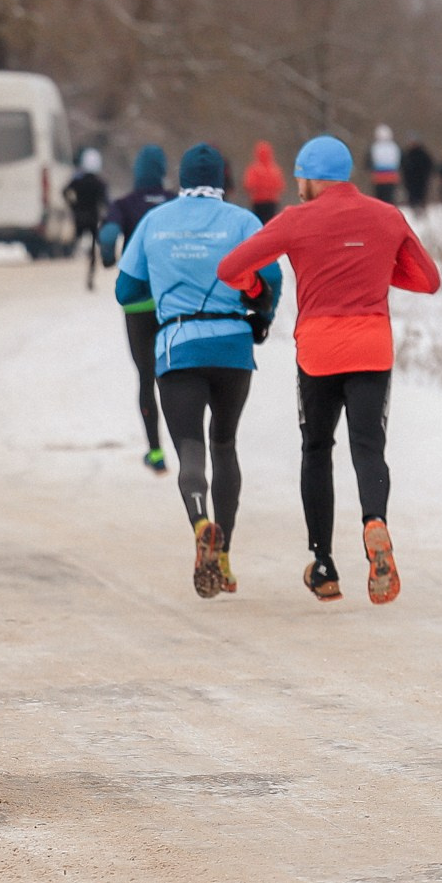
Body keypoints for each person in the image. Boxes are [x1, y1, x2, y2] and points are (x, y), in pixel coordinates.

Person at [216, 136, 441, 606]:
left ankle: (323, 565)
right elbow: (427, 280)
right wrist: (376, 267)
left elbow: (231, 268)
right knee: (368, 445)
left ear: (312, 177)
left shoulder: (295, 220)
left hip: (318, 351)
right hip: (372, 347)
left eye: (300, 177)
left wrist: (255, 284)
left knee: (316, 449)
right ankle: (374, 523)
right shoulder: (386, 216)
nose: (297, 186)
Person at [116, 145, 281, 599]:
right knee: (224, 444)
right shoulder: (244, 221)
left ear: (183, 177)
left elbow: (125, 290)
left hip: (179, 345)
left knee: (191, 448)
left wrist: (166, 287)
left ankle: (201, 523)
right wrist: (260, 319)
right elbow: (272, 278)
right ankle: (224, 556)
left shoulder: (155, 221)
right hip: (233, 347)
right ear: (224, 180)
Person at [98, 145, 176, 474]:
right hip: (172, 302)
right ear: (161, 171)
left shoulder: (124, 204)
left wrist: (107, 256)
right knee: (174, 377)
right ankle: (188, 444)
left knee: (146, 377)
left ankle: (155, 451)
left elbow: (110, 232)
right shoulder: (175, 202)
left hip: (137, 305)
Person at [63, 148, 111, 291]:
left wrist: (73, 205)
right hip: (93, 219)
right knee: (92, 251)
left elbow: (64, 191)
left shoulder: (78, 181)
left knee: (73, 247)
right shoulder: (99, 182)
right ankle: (90, 276)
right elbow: (106, 202)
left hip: (79, 217)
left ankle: (67, 277)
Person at [244, 140, 286, 223]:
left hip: (257, 202)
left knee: (258, 224)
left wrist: (258, 191)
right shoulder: (275, 169)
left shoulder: (254, 169)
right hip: (272, 202)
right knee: (271, 224)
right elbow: (281, 186)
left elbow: (248, 185)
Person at [368, 124, 401, 202]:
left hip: (379, 177)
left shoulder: (375, 147)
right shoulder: (394, 147)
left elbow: (369, 162)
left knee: (380, 199)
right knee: (389, 198)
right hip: (390, 177)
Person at [400, 138, 436, 209]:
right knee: (415, 196)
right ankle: (416, 209)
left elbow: (429, 165)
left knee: (418, 195)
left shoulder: (419, 154)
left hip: (419, 180)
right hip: (414, 180)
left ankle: (418, 209)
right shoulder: (409, 154)